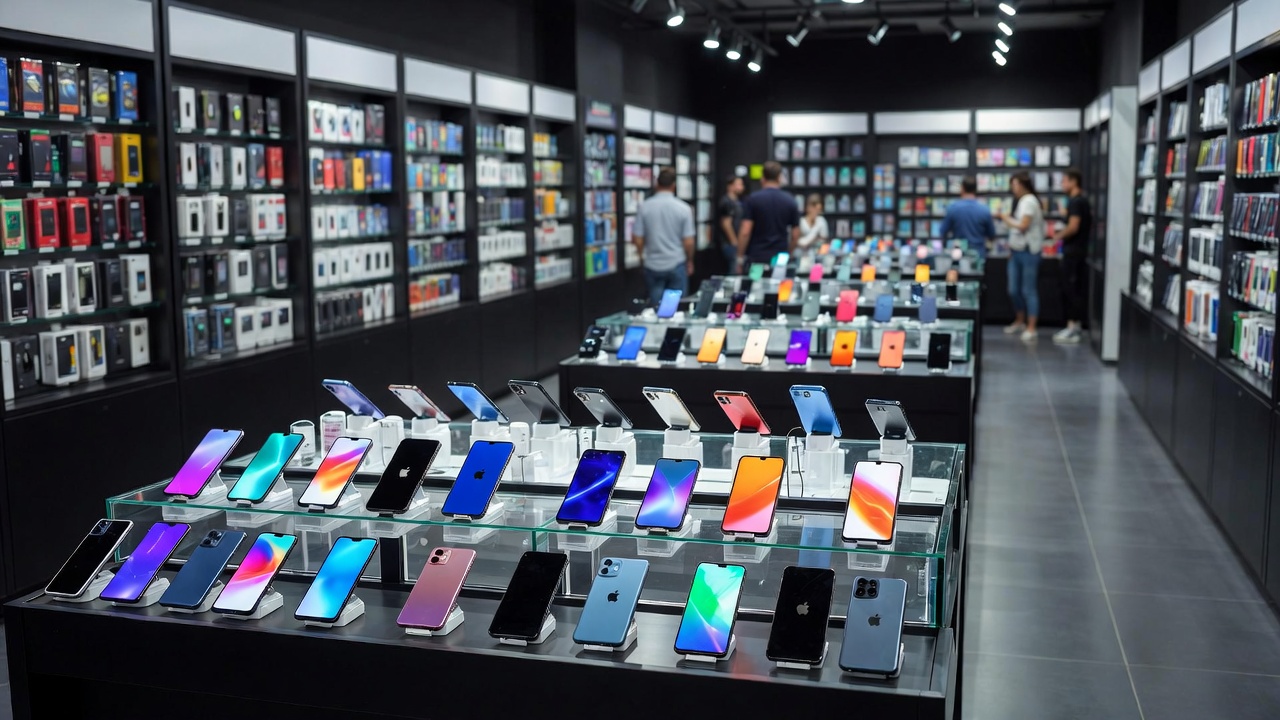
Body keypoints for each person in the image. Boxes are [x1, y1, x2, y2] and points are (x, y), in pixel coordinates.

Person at [994, 172, 1046, 343]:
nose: (1013, 188)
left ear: (1023, 185)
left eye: (1015, 184)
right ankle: (1020, 320)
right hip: (1017, 250)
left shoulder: (1029, 201)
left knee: (1028, 290)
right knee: (1013, 289)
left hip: (1029, 251)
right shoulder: (1022, 201)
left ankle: (1031, 327)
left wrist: (1005, 218)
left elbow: (1023, 226)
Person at [632, 167, 695, 305]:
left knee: (656, 306)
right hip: (676, 263)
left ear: (657, 183)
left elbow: (638, 238)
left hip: (652, 264)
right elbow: (688, 241)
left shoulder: (644, 207)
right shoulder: (683, 208)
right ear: (674, 185)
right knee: (675, 307)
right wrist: (689, 260)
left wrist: (641, 258)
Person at [1052, 168, 1092, 345]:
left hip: (1073, 253)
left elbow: (1074, 226)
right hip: (1078, 251)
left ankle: (1072, 327)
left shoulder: (1076, 202)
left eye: (1064, 181)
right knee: (1072, 288)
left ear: (1073, 181)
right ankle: (1073, 326)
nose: (1062, 185)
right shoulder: (1079, 201)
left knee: (1070, 288)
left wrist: (1058, 236)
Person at [737, 161, 800, 268]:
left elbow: (745, 231)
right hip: (780, 258)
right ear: (779, 178)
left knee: (756, 279)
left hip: (757, 257)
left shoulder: (752, 199)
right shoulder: (790, 200)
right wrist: (788, 253)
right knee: (779, 279)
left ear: (763, 178)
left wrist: (739, 257)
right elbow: (795, 235)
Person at [939, 177, 996, 257]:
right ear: (975, 189)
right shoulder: (984, 209)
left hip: (959, 254)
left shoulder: (953, 208)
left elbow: (943, 231)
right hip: (978, 254)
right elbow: (991, 234)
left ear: (962, 188)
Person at [716, 175, 744, 273]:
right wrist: (734, 243)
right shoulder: (726, 202)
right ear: (730, 186)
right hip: (730, 244)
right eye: (738, 184)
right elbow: (726, 224)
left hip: (736, 243)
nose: (741, 187)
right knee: (734, 270)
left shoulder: (737, 202)